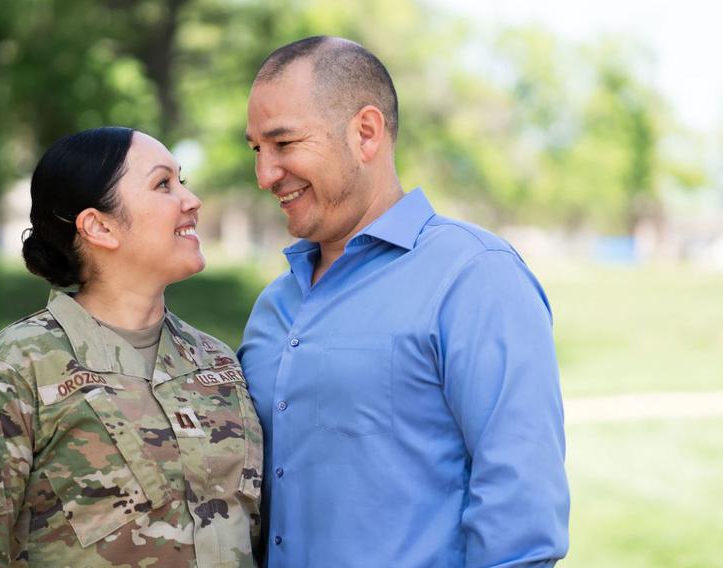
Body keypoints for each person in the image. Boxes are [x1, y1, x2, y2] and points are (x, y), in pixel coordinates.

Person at [238, 36, 570, 567]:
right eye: (257, 149)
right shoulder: (273, 307)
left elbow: (520, 514)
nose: (264, 175)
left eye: (283, 143)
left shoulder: (474, 276)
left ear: (365, 133)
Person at [0, 127, 263, 567]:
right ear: (99, 226)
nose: (191, 199)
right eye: (163, 184)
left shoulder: (218, 364)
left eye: (184, 180)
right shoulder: (7, 374)